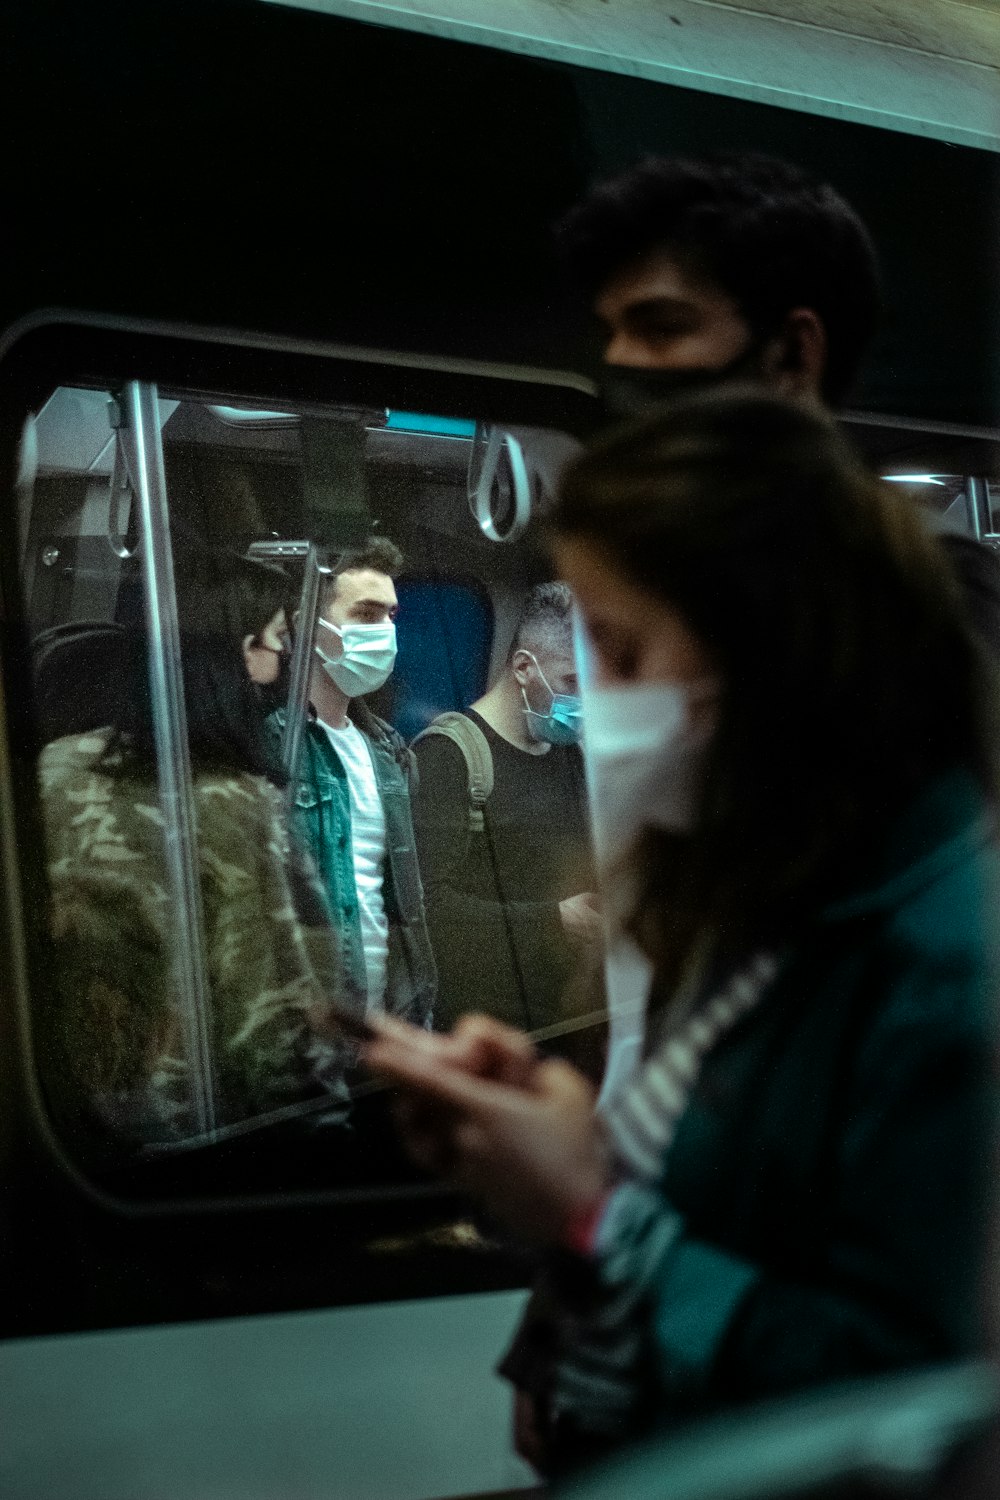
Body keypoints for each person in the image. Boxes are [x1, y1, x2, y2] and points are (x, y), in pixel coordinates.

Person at [367, 390, 1000, 1479]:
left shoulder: (946, 970)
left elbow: (907, 1404)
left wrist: (584, 1212)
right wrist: (563, 1284)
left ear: (766, 653)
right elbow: (709, 1196)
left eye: (621, 649)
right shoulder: (770, 896)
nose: (602, 706)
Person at [557, 150, 1000, 651]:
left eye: (661, 328)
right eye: (609, 335)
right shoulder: (681, 576)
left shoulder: (929, 592)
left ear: (790, 354)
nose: (618, 361)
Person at [35, 559, 362, 1147]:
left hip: (60, 1126)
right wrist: (329, 1145)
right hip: (180, 1136)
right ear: (239, 653)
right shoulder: (231, 806)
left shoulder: (52, 767)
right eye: (281, 641)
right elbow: (276, 1024)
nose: (288, 663)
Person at [410, 582, 598, 1037]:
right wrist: (554, 920)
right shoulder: (450, 757)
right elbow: (429, 909)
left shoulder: (567, 754)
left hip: (568, 1017)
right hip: (487, 1026)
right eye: (572, 681)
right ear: (522, 668)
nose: (584, 698)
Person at [270, 536, 435, 1029]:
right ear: (308, 626)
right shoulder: (277, 747)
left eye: (390, 616)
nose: (385, 632)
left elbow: (394, 905)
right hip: (309, 1025)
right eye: (366, 614)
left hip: (385, 1023)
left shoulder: (390, 754)